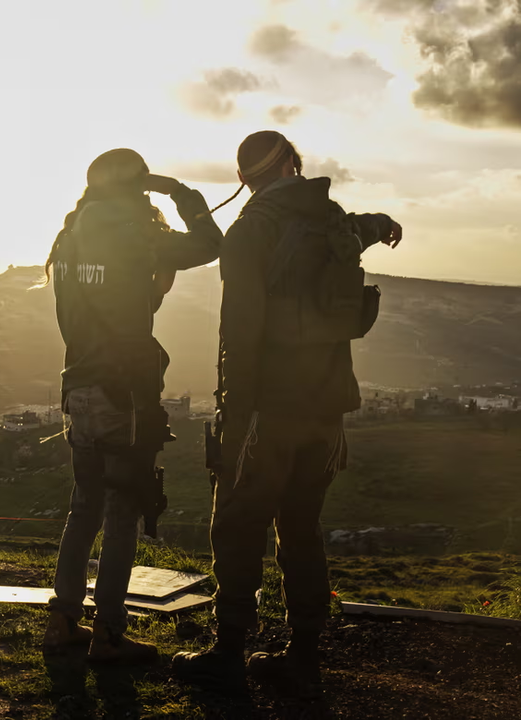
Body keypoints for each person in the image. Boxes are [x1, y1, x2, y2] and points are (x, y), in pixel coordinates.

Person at [172, 131, 402, 697]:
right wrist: (384, 220)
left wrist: (233, 413)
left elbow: (239, 330)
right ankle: (303, 656)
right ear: (294, 164)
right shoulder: (334, 218)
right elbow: (368, 227)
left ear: (245, 176)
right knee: (301, 528)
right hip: (328, 408)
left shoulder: (251, 231)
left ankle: (227, 653)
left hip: (268, 410)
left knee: (237, 526)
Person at [42, 148, 223, 662]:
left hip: (77, 386)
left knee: (84, 508)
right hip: (125, 392)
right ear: (137, 189)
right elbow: (212, 244)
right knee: (121, 511)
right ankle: (110, 634)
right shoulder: (141, 236)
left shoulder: (69, 240)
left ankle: (63, 620)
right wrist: (180, 192)